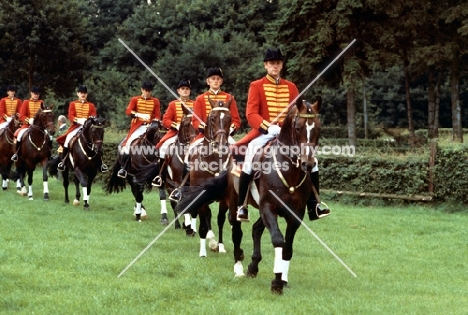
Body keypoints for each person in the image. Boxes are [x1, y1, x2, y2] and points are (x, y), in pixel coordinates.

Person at [234, 47, 330, 222]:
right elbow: (251, 114)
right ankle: (242, 206)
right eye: (272, 63)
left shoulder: (291, 87)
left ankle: (314, 205)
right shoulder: (256, 86)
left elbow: (298, 111)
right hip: (265, 133)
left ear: (281, 65)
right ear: (265, 65)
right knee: (249, 160)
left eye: (278, 63)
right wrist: (267, 127)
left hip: (288, 135)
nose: (275, 66)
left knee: (312, 162)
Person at [170, 67, 241, 201]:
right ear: (208, 81)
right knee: (189, 153)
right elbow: (195, 119)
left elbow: (236, 119)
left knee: (238, 153)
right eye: (213, 79)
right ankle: (183, 187)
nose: (215, 81)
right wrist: (203, 128)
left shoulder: (229, 97)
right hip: (204, 136)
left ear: (221, 81)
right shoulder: (201, 98)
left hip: (225, 135)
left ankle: (237, 189)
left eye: (218, 79)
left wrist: (231, 129)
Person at [56, 85, 108, 172]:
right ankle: (63, 162)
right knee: (68, 140)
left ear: (87, 94)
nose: (83, 94)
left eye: (84, 93)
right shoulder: (73, 104)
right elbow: (71, 116)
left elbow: (94, 116)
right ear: (78, 94)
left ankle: (101, 164)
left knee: (97, 141)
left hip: (88, 128)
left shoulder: (91, 105)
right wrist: (79, 120)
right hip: (76, 127)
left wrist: (89, 121)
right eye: (81, 93)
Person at [117, 81, 161, 178]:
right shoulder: (135, 99)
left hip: (150, 127)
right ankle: (123, 168)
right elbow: (128, 111)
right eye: (146, 90)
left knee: (160, 144)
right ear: (142, 90)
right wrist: (138, 114)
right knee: (128, 145)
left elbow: (157, 115)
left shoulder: (155, 101)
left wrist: (154, 121)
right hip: (138, 127)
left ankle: (160, 171)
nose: (147, 93)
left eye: (149, 91)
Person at [156, 79, 194, 159]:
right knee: (163, 150)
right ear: (178, 91)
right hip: (176, 133)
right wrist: (176, 125)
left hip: (192, 134)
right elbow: (165, 120)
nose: (185, 91)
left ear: (190, 91)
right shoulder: (173, 104)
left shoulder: (195, 104)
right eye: (182, 88)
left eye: (187, 89)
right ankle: (163, 171)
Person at [11, 85, 44, 161]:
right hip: (27, 125)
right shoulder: (26, 102)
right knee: (19, 135)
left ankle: (49, 153)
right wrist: (28, 120)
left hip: (39, 127)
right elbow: (21, 115)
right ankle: (16, 153)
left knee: (49, 136)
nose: (36, 95)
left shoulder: (41, 102)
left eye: (38, 94)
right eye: (35, 93)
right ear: (31, 93)